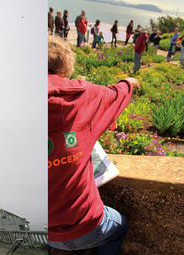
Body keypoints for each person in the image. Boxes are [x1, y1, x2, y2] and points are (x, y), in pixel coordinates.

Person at [48, 34, 137, 255]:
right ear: (65, 65)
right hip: (85, 227)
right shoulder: (81, 95)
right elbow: (116, 95)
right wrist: (128, 82)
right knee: (120, 227)